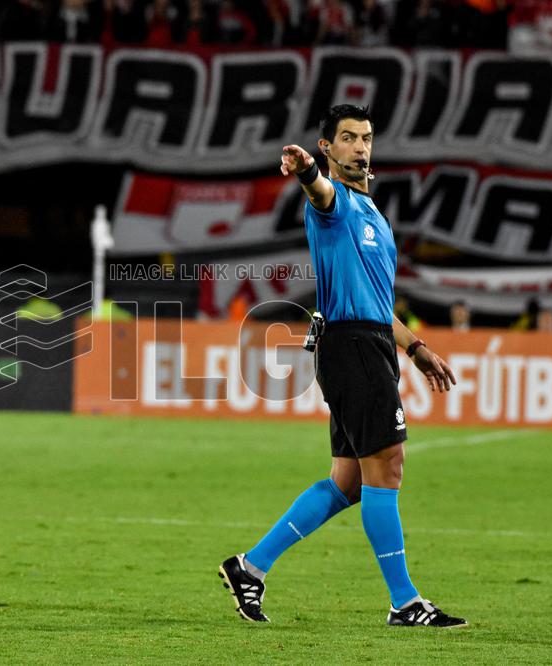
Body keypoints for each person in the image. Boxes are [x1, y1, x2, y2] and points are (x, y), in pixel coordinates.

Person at [218, 104, 466, 628]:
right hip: (352, 348)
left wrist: (416, 348)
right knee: (388, 465)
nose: (360, 146)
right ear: (328, 146)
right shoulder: (335, 205)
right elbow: (319, 192)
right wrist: (308, 170)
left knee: (350, 481)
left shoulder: (372, 213)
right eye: (348, 138)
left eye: (367, 137)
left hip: (368, 341)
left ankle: (250, 568)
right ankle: (404, 602)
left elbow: (377, 302)